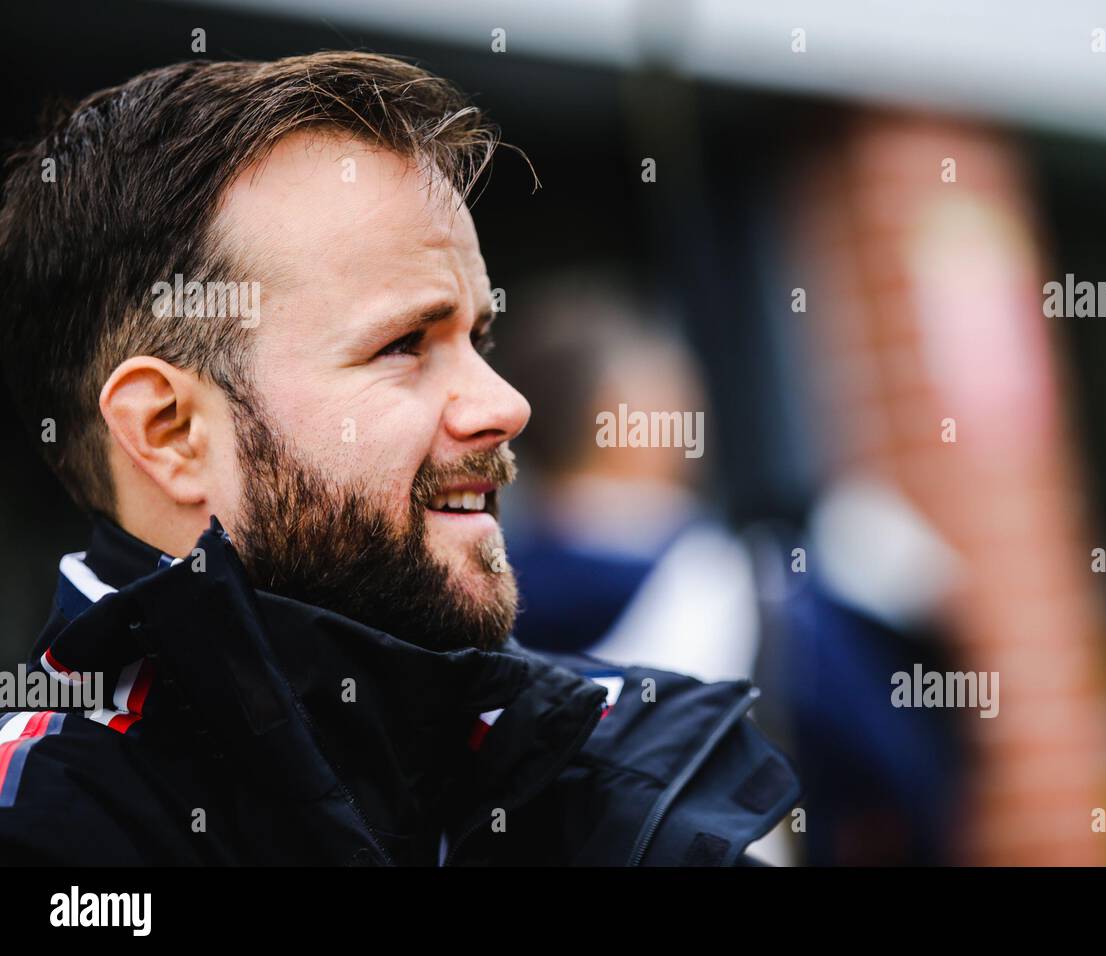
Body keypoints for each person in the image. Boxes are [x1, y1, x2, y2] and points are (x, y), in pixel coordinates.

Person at [0, 52, 800, 866]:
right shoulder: (49, 827)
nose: (506, 407)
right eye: (405, 344)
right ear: (171, 431)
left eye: (477, 337)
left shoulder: (614, 763)